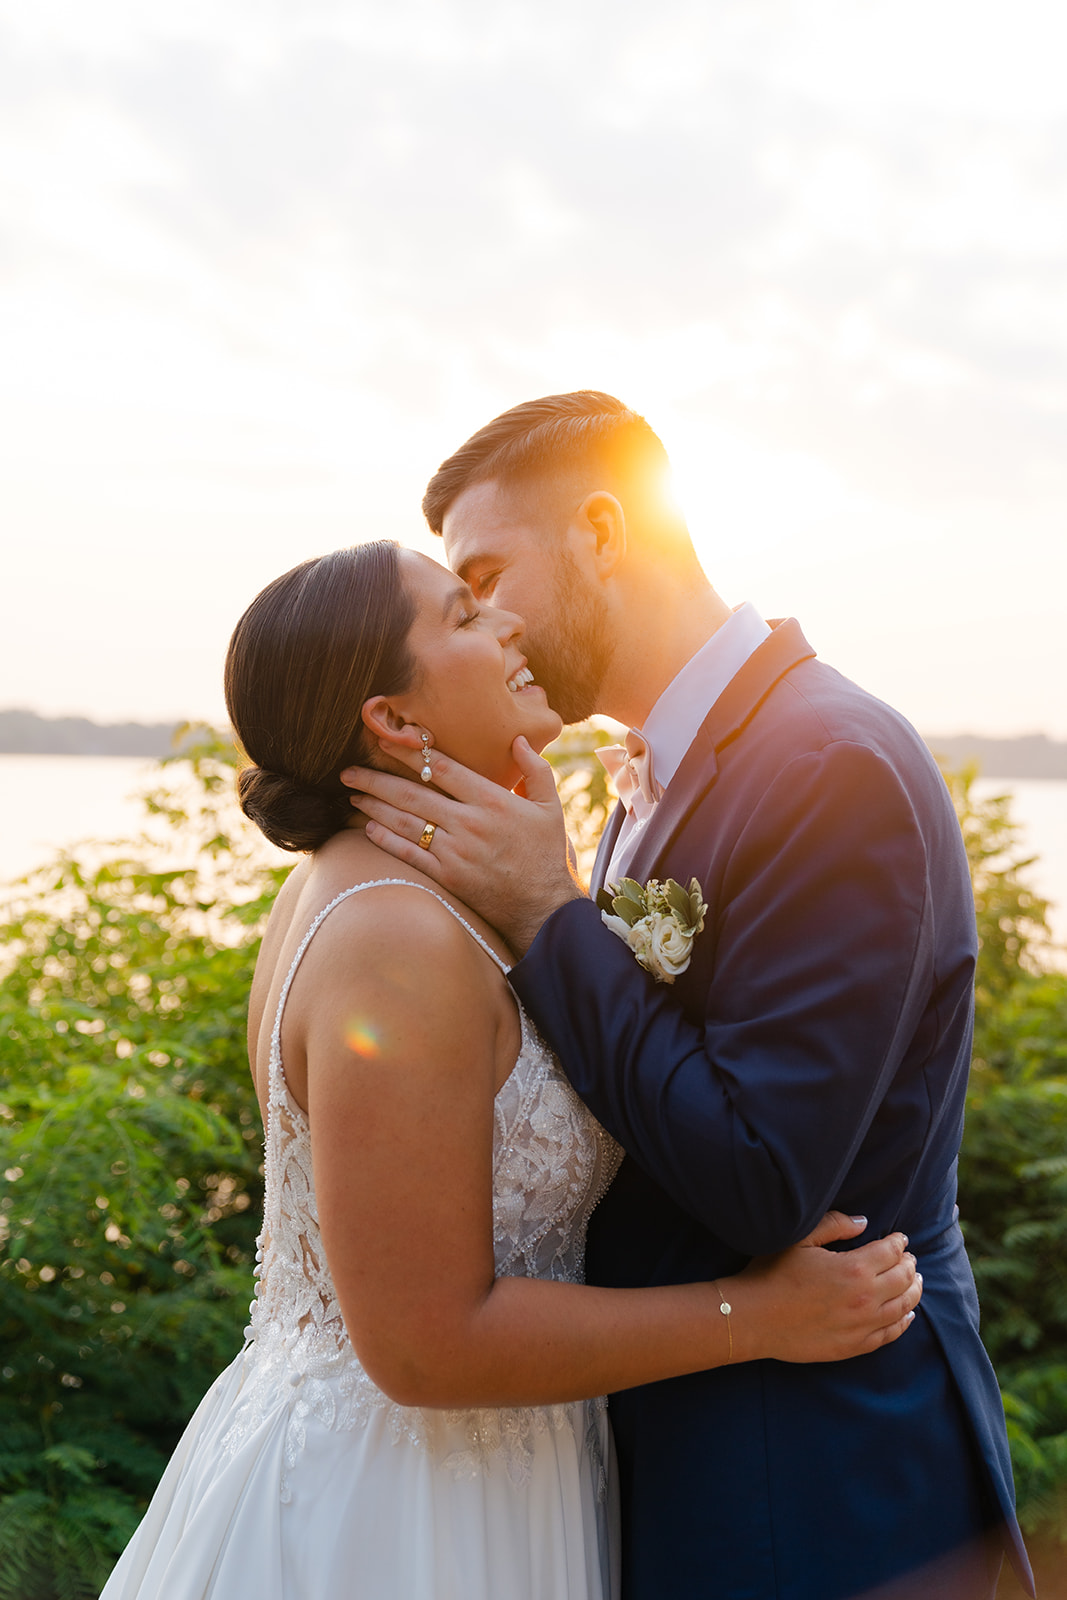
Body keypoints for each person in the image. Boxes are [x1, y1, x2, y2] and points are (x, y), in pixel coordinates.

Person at [100, 541, 922, 1600]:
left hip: (489, 1479)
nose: (509, 626)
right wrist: (756, 1314)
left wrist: (554, 885)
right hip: (397, 1516)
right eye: (464, 614)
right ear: (394, 719)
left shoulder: (413, 888)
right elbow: (423, 1343)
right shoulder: (392, 937)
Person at [341, 393, 1035, 1600]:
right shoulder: (645, 781)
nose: (490, 623)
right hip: (688, 1442)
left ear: (605, 530)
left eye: (490, 573)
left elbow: (763, 1176)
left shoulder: (827, 762)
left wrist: (548, 914)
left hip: (816, 1467)